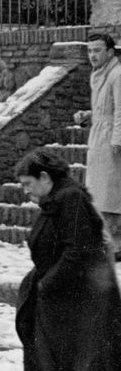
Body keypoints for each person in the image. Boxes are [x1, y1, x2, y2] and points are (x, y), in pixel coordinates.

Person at [0, 149, 121, 371]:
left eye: (28, 184)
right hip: (69, 290)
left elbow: (76, 250)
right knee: (64, 357)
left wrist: (48, 283)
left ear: (45, 178)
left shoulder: (69, 200)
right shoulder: (59, 199)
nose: (26, 191)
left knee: (67, 358)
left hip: (78, 292)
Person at [74, 31, 120, 256]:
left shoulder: (117, 74)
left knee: (110, 191)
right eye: (89, 50)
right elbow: (105, 109)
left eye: (97, 50)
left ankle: (115, 244)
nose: (92, 55)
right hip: (100, 135)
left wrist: (117, 140)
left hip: (111, 139)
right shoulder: (99, 74)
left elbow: (120, 110)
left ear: (110, 52)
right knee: (99, 190)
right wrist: (89, 115)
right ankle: (107, 242)